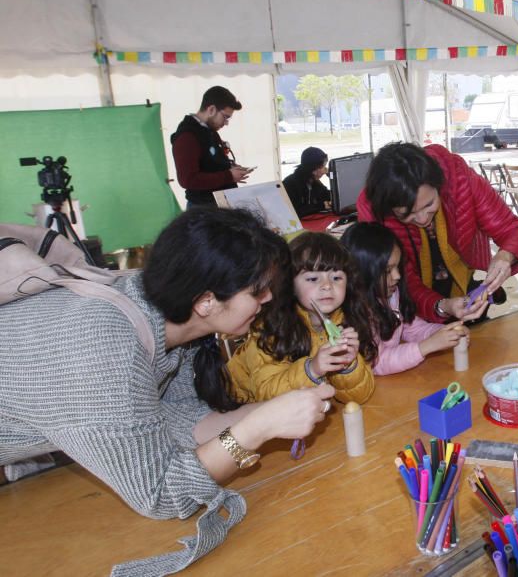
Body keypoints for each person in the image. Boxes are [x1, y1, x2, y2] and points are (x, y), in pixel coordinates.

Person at [0, 207, 335, 573]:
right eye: (257, 290)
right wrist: (258, 429)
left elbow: (180, 418)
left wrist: (269, 412)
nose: (268, 298)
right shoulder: (104, 349)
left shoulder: (159, 310)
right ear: (206, 301)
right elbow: (160, 494)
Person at [357, 142, 518, 323]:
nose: (423, 219)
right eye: (407, 214)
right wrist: (442, 306)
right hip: (411, 315)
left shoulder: (459, 178)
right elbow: (404, 283)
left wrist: (506, 256)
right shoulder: (375, 212)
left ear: (439, 185)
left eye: (429, 204)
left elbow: (513, 230)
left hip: (462, 287)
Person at [227, 232, 376, 404]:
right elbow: (266, 395)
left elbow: (359, 396)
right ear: (290, 285)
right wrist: (312, 370)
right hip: (237, 408)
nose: (327, 286)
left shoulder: (347, 319)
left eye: (336, 277)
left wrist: (348, 364)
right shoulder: (271, 327)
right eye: (313, 278)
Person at [342, 222, 469, 375]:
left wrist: (445, 333)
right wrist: (426, 346)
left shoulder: (390, 295)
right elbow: (377, 363)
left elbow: (412, 328)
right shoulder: (352, 314)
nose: (397, 276)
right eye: (387, 270)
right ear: (361, 273)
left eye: (397, 267)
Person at [171, 85, 254, 208]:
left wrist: (230, 168)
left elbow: (210, 163)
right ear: (211, 109)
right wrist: (228, 176)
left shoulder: (209, 131)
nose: (226, 123)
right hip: (203, 209)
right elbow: (188, 179)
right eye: (225, 117)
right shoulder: (187, 137)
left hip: (218, 204)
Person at [283, 146, 332, 217]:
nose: (325, 170)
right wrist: (322, 205)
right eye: (322, 167)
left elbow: (328, 195)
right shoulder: (290, 183)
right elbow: (297, 210)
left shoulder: (314, 181)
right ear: (312, 168)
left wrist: (333, 178)